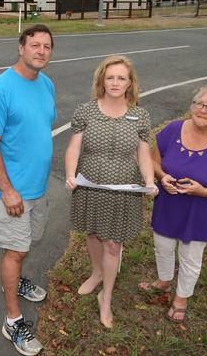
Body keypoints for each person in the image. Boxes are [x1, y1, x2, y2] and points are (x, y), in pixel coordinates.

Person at [64, 55, 157, 328]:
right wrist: (70, 174)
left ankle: (106, 297)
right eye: (110, 77)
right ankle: (96, 274)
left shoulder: (140, 115)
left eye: (121, 78)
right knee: (94, 232)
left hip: (123, 188)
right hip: (91, 185)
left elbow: (143, 154)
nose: (115, 82)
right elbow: (74, 148)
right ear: (101, 81)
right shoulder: (86, 111)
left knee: (113, 243)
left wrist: (150, 181)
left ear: (130, 83)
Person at [139, 84, 207, 322]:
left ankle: (181, 298)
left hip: (201, 210)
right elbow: (153, 161)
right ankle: (164, 281)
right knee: (163, 247)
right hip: (168, 204)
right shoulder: (173, 129)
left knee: (190, 257)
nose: (203, 109)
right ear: (192, 106)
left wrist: (204, 191)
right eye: (199, 103)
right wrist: (162, 176)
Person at [0, 24, 56, 356]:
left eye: (47, 46)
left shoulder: (47, 83)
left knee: (24, 245)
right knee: (14, 250)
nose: (41, 51)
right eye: (35, 45)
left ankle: (17, 278)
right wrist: (8, 190)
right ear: (21, 48)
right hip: (11, 193)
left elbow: (39, 130)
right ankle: (12, 321)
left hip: (37, 187)